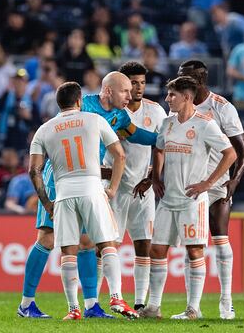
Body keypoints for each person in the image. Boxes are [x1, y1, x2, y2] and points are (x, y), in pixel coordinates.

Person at [18, 72, 157, 319]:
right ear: (108, 91)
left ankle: (91, 305)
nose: (131, 95)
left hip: (88, 181)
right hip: (58, 178)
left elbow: (138, 136)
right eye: (125, 90)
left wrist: (168, 135)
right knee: (48, 239)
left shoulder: (121, 116)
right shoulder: (87, 107)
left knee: (86, 243)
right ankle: (26, 303)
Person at [134, 76, 237, 320]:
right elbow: (158, 148)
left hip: (192, 200)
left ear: (187, 97)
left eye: (172, 95)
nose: (168, 99)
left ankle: (193, 309)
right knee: (157, 250)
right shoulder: (168, 124)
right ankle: (154, 307)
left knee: (194, 252)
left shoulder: (205, 124)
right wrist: (156, 177)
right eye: (168, 95)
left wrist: (208, 183)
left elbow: (230, 154)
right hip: (168, 199)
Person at [176, 60, 244, 319]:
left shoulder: (222, 107)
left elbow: (240, 148)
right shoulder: (179, 105)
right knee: (192, 244)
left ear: (200, 80)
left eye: (186, 77)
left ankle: (226, 301)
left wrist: (235, 179)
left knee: (219, 238)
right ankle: (192, 307)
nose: (180, 80)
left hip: (217, 183)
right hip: (189, 182)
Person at [101, 62, 167, 312]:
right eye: (133, 83)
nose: (138, 88)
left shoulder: (156, 111)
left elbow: (161, 147)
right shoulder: (113, 112)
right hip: (113, 187)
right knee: (108, 245)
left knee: (144, 245)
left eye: (142, 83)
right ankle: (97, 301)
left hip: (143, 189)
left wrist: (152, 178)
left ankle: (140, 302)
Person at [0, 69, 34, 151]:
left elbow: (35, 121)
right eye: (17, 81)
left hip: (22, 136)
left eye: (22, 81)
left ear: (26, 83)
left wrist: (28, 117)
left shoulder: (31, 100)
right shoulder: (7, 96)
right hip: (6, 135)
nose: (19, 83)